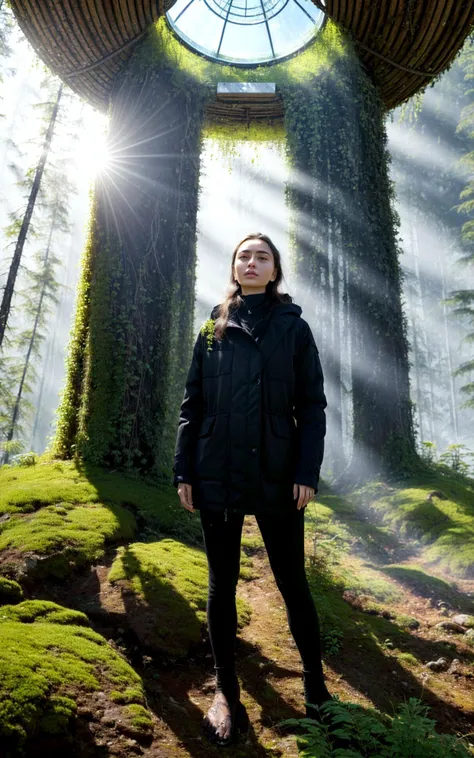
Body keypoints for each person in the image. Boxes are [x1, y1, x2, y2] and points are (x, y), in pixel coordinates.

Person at [173, 232, 333, 746]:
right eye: (243, 255)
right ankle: (227, 693)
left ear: (274, 270)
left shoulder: (294, 328)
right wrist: (185, 471)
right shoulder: (213, 328)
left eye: (261, 256)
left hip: (279, 476)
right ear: (234, 266)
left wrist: (307, 472)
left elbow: (312, 407)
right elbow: (191, 406)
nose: (251, 261)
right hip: (216, 474)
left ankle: (317, 690)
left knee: (292, 582)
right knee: (222, 583)